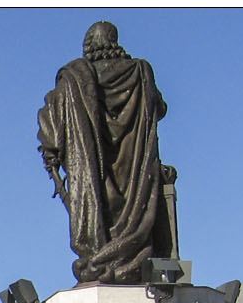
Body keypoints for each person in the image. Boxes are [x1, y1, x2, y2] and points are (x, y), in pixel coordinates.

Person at [37, 21, 173, 284]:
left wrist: (51, 153)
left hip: (91, 170)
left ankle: (101, 261)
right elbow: (160, 108)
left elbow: (51, 117)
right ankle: (129, 263)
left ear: (89, 43)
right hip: (135, 173)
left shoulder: (74, 77)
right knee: (135, 215)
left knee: (97, 212)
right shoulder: (140, 72)